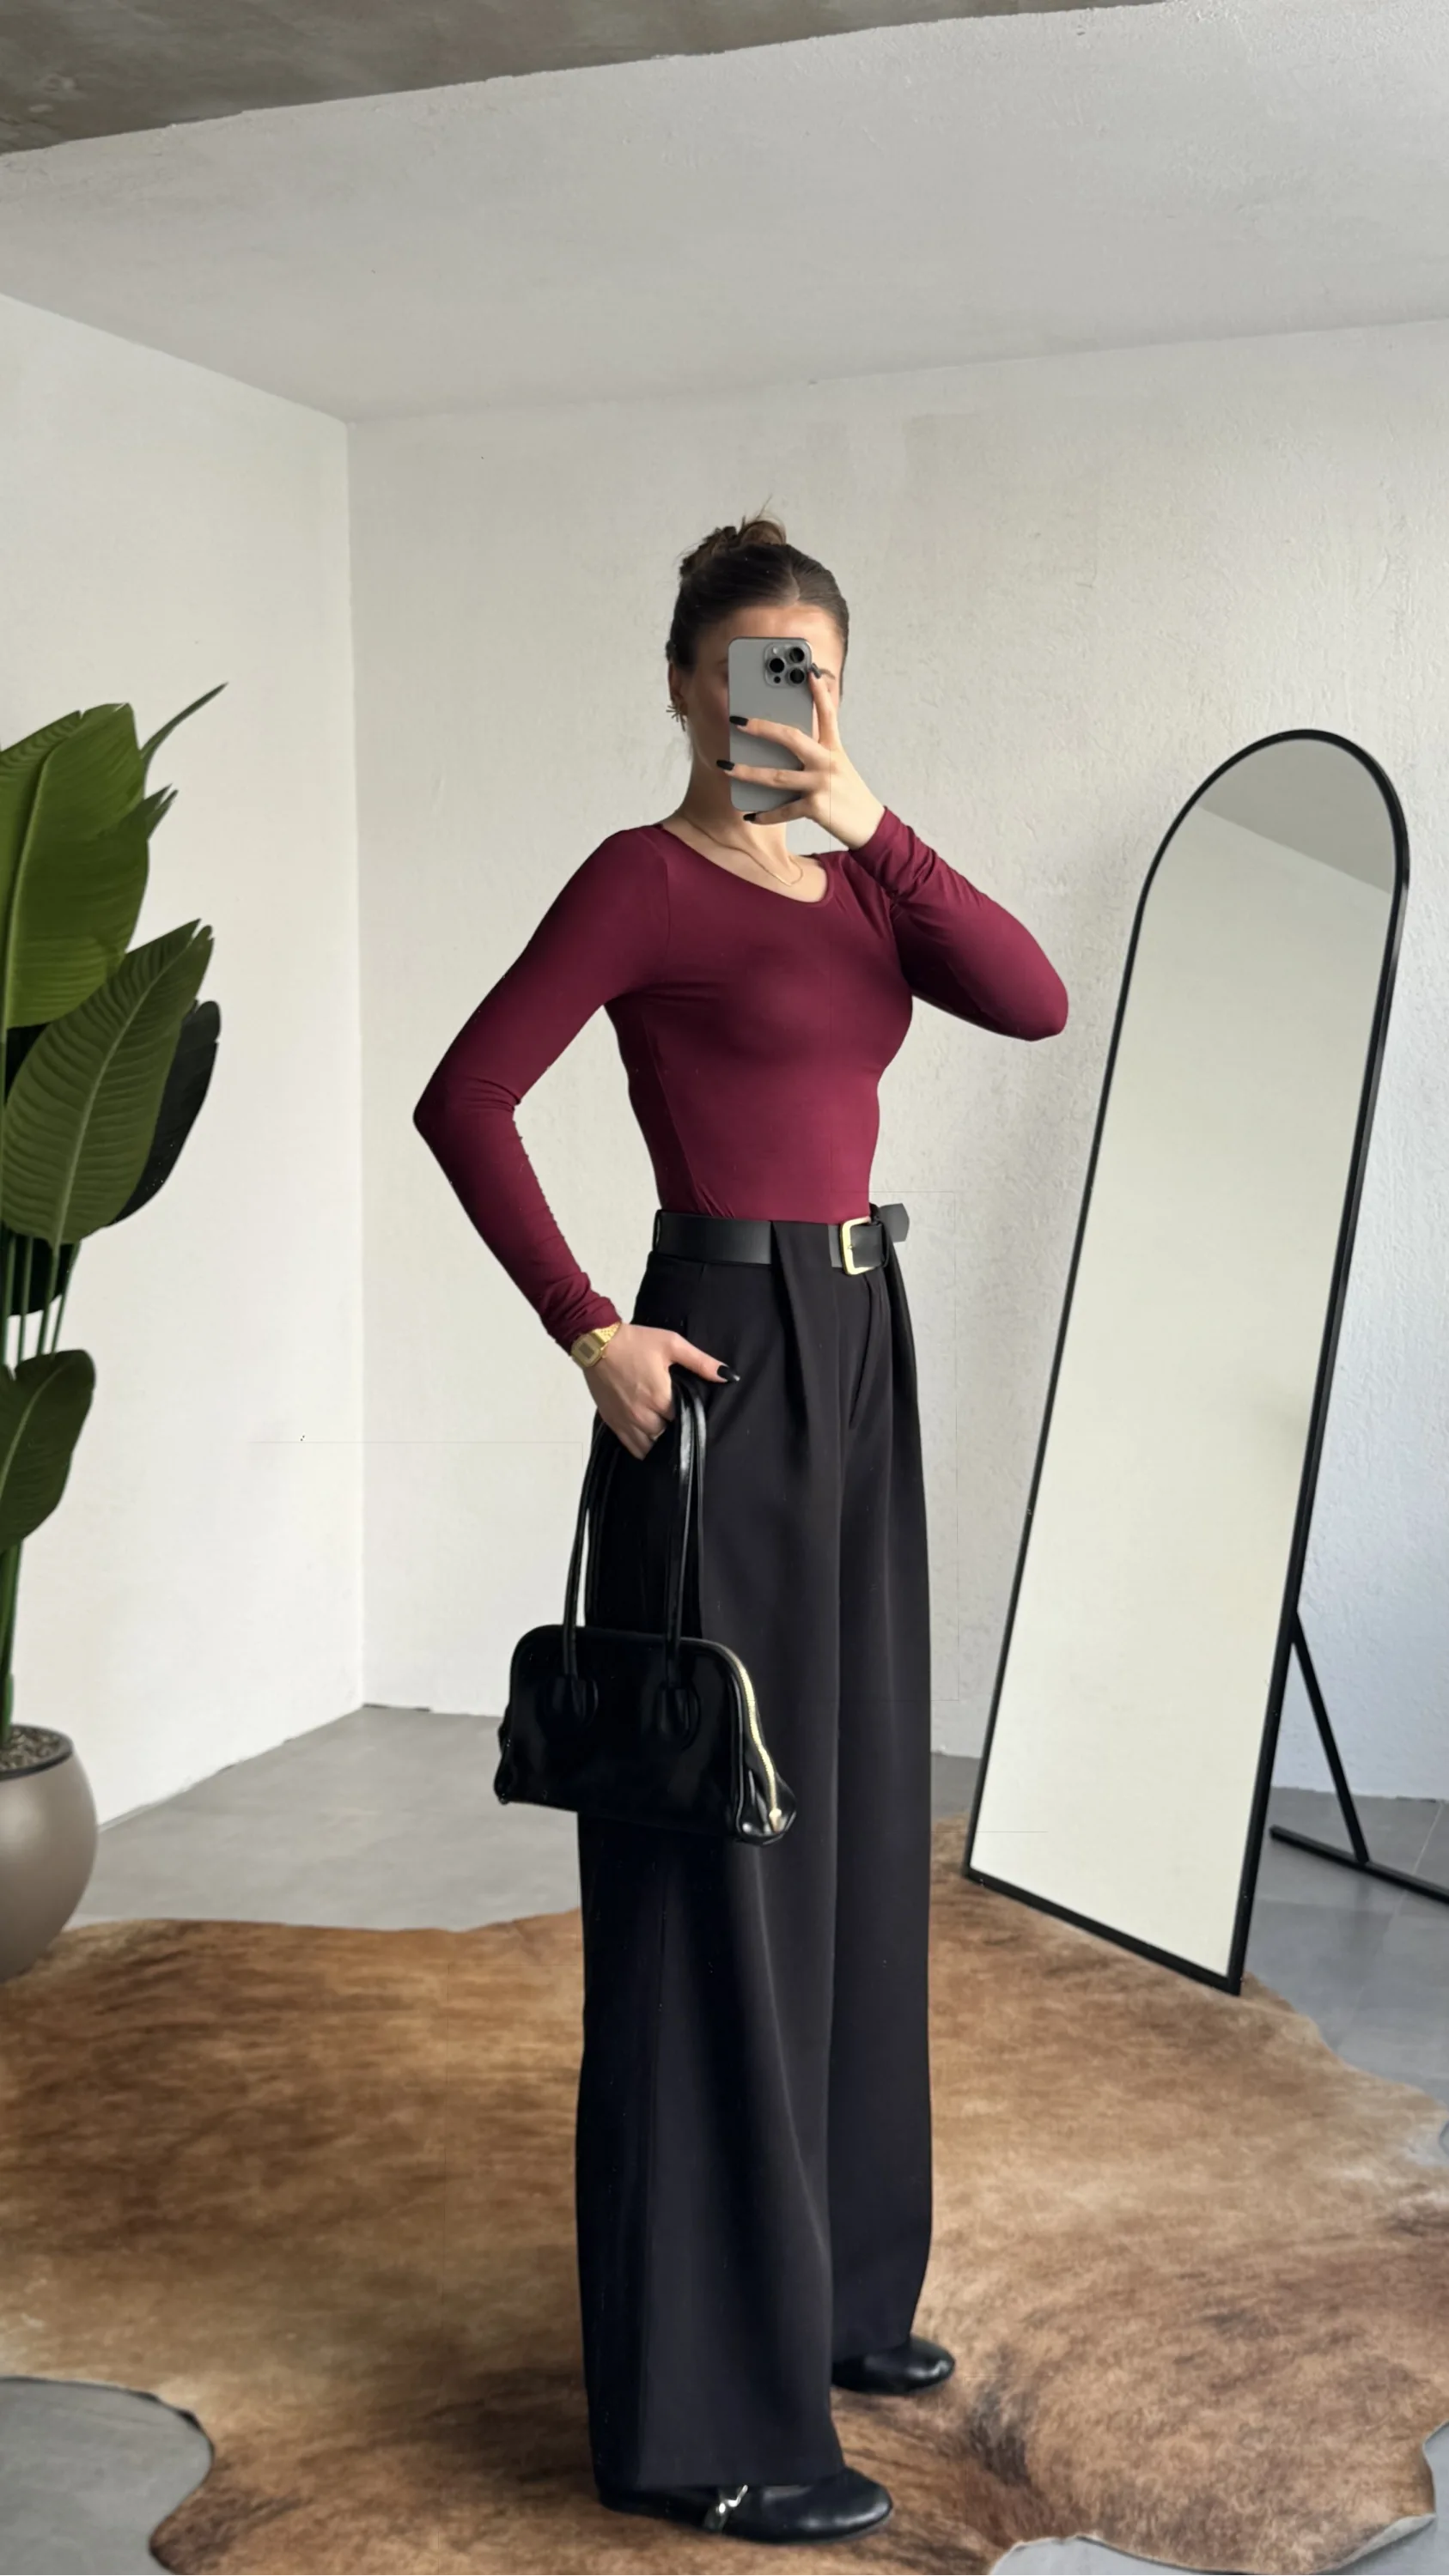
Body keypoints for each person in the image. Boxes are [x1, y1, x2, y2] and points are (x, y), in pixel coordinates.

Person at [412, 508, 1069, 2545]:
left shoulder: (861, 881)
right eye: (752, 672)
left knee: (858, 1829)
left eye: (816, 675)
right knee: (724, 1870)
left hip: (864, 1356)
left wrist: (872, 817)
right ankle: (707, 2426)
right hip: (723, 1363)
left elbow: (1033, 999)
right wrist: (585, 1324)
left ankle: (842, 2297)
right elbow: (466, 1097)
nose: (781, 704)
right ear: (686, 685)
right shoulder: (642, 880)